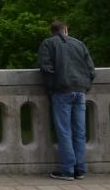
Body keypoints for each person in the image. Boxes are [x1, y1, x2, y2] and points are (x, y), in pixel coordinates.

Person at [37, 20, 96, 181]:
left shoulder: (48, 44)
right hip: (80, 91)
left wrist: (52, 88)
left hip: (61, 91)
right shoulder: (79, 44)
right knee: (80, 132)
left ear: (52, 31)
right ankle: (80, 169)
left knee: (64, 132)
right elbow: (91, 69)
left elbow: (46, 68)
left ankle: (67, 170)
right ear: (66, 30)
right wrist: (85, 86)